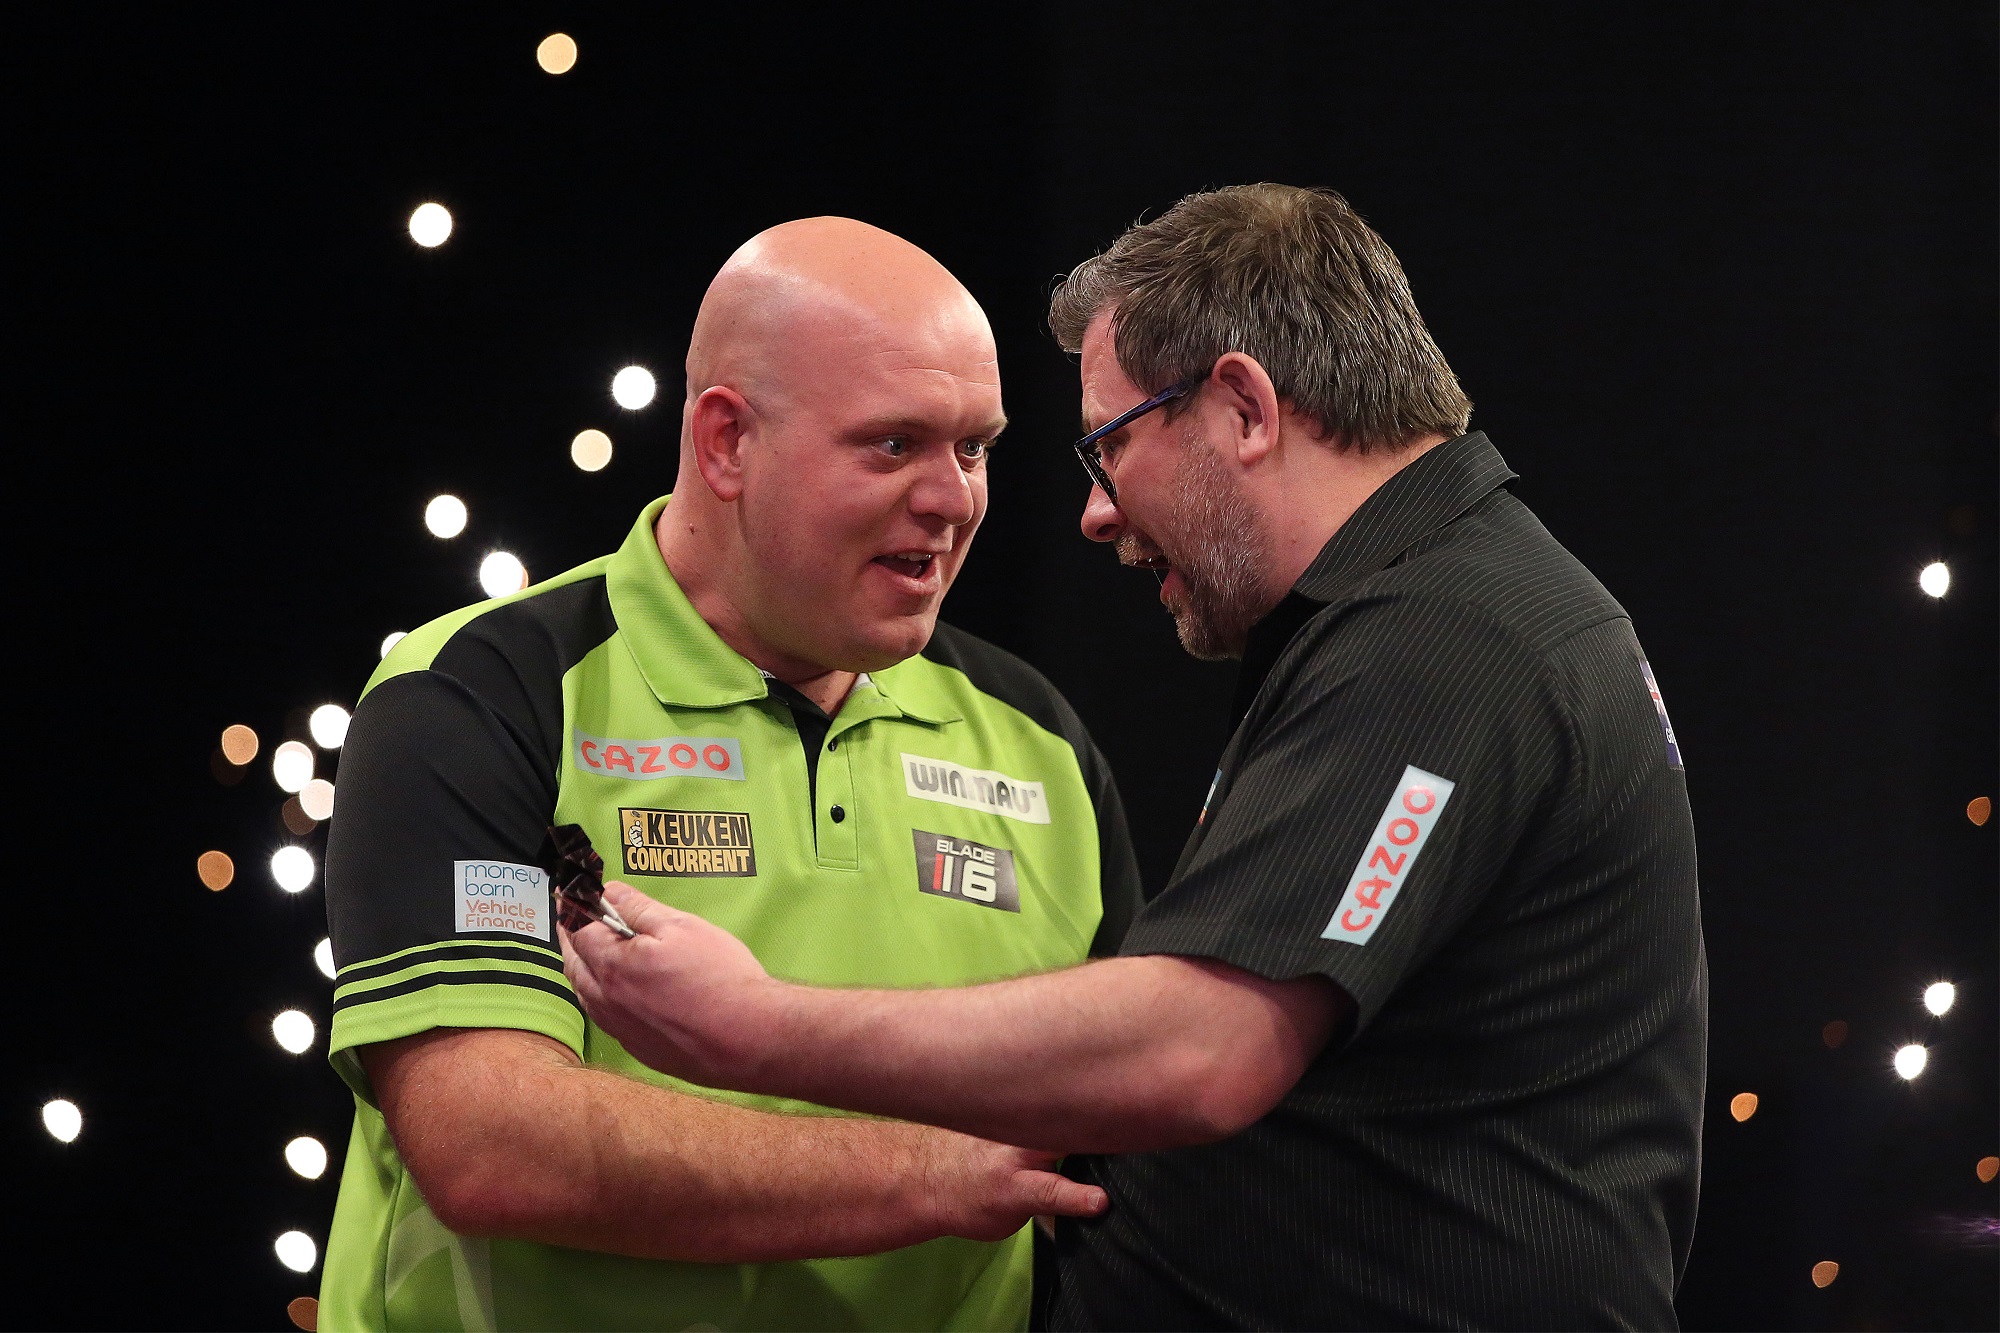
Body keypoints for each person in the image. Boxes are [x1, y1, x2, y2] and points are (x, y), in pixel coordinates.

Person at [565, 184, 1708, 1330]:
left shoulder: (1443, 637)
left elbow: (1206, 1047)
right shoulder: (1435, 614)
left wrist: (754, 1026)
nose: (1094, 513)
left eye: (1108, 446)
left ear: (1243, 408)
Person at [318, 216, 1143, 1332]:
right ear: (726, 442)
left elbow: (1134, 1133)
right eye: (893, 444)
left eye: (973, 448)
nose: (953, 500)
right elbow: (491, 1144)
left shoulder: (1038, 739)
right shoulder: (483, 693)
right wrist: (940, 1176)